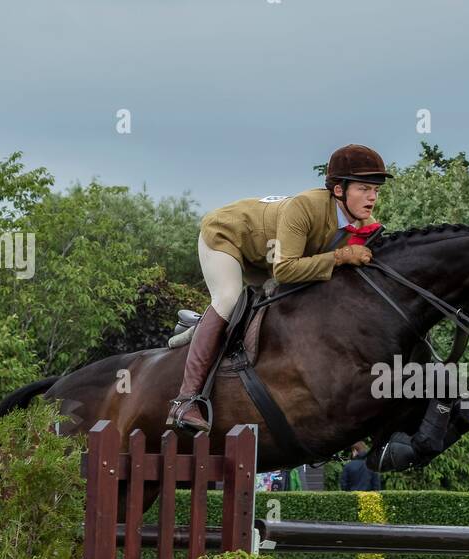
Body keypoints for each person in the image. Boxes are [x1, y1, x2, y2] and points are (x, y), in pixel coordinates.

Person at [168, 144, 393, 431]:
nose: (372, 197)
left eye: (375, 189)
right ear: (339, 190)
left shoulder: (364, 222)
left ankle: (200, 326)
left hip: (267, 255)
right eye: (364, 188)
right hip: (228, 236)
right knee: (228, 299)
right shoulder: (305, 207)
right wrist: (340, 256)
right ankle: (185, 401)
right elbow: (285, 270)